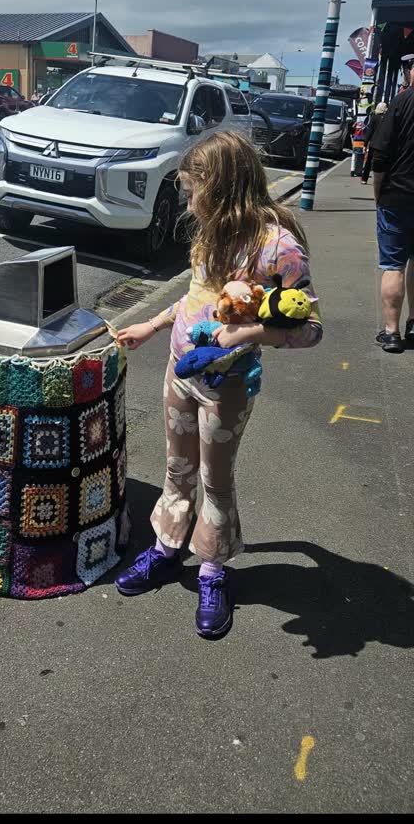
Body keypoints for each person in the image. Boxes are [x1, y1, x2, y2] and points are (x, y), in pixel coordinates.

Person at [114, 132, 323, 639]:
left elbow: (311, 328)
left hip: (227, 387)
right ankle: (166, 549)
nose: (189, 202)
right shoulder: (210, 231)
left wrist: (249, 331)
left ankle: (213, 569)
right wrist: (154, 324)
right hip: (180, 373)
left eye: (193, 191)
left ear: (223, 188)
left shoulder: (278, 246)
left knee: (215, 480)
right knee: (176, 466)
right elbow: (194, 298)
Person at [371, 70, 414, 353]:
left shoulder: (401, 102)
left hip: (397, 195)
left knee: (393, 265)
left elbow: (381, 156)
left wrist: (378, 194)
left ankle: (391, 333)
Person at [360, 101, 388, 184]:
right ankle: (382, 180)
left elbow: (369, 132)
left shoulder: (374, 118)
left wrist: (365, 144)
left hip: (373, 142)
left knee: (368, 161)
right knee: (383, 162)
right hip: (383, 143)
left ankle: (364, 179)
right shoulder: (387, 119)